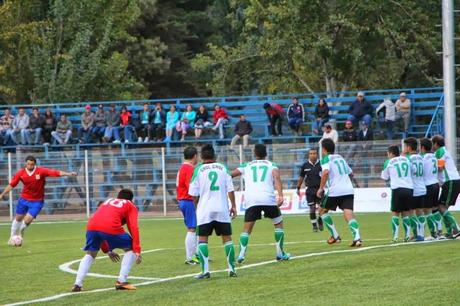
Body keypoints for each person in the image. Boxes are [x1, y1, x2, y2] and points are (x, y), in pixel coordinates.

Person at [71, 189, 142, 292]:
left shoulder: (108, 201)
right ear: (131, 199)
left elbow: (101, 225)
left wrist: (108, 250)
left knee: (91, 253)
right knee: (130, 248)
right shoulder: (130, 205)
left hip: (91, 226)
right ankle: (121, 282)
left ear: (118, 197)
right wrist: (137, 250)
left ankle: (77, 284)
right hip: (109, 227)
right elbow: (133, 227)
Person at [232, 144, 290, 263]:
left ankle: (241, 255)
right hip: (267, 198)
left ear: (254, 154)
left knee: (247, 229)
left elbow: (230, 175)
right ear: (266, 154)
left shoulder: (246, 165)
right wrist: (280, 195)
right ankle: (280, 253)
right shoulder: (271, 165)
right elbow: (277, 178)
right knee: (278, 223)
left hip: (251, 199)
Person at [0, 155, 77, 245]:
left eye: (31, 164)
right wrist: (2, 194)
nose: (29, 166)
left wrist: (68, 174)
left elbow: (56, 172)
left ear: (34, 164)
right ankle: (12, 237)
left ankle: (20, 234)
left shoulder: (41, 171)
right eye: (28, 164)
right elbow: (12, 185)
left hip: (37, 201)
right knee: (18, 218)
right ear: (26, 164)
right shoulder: (20, 173)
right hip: (24, 200)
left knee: (27, 220)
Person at [188, 144, 237, 279]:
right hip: (221, 208)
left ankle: (205, 272)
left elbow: (193, 193)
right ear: (214, 155)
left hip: (205, 210)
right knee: (227, 239)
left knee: (203, 240)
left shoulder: (198, 169)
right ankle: (232, 269)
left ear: (202, 156)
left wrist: (197, 205)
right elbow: (230, 189)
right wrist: (233, 206)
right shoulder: (223, 168)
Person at [316, 138, 362, 246]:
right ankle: (357, 238)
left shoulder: (326, 159)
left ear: (324, 149)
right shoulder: (341, 158)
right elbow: (351, 173)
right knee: (349, 214)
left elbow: (326, 172)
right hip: (348, 190)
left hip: (335, 190)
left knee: (322, 211)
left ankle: (335, 236)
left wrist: (321, 188)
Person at [381, 145, 414, 242]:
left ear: (391, 153)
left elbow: (385, 177)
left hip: (397, 189)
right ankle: (407, 236)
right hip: (409, 188)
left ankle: (395, 237)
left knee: (395, 213)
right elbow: (413, 171)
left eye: (388, 153)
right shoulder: (406, 159)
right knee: (406, 213)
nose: (387, 155)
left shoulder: (388, 162)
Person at [431, 135, 460, 239]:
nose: (432, 146)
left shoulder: (440, 151)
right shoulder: (442, 151)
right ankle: (449, 231)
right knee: (443, 208)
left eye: (432, 143)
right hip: (452, 181)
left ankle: (456, 229)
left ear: (436, 144)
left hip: (450, 181)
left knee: (441, 207)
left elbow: (440, 167)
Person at [176, 146, 199, 265]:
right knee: (192, 228)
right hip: (188, 200)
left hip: (183, 200)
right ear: (195, 156)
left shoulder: (183, 167)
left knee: (195, 228)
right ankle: (190, 258)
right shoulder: (188, 168)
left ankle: (196, 255)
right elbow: (191, 187)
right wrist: (196, 201)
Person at [403, 137, 426, 241]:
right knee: (420, 211)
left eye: (405, 146)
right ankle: (421, 234)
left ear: (408, 147)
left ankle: (417, 234)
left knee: (411, 212)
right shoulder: (421, 157)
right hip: (422, 187)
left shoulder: (408, 159)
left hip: (413, 189)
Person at [296, 148, 324, 232]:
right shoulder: (305, 165)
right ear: (309, 155)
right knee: (312, 208)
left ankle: (320, 220)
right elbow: (301, 177)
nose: (313, 155)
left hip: (320, 189)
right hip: (309, 190)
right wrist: (298, 187)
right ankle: (314, 226)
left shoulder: (322, 164)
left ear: (317, 154)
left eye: (314, 153)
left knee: (321, 208)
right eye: (311, 153)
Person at [420, 138, 441, 239]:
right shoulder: (434, 156)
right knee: (435, 209)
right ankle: (440, 230)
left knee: (426, 210)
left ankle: (433, 233)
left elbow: (421, 172)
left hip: (428, 185)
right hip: (436, 184)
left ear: (422, 147)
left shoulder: (423, 158)